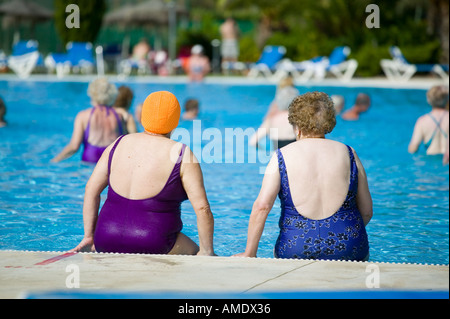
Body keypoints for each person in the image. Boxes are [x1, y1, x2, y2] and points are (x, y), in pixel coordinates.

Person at [70, 91, 215, 256]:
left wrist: (89, 237)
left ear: (143, 117)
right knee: (196, 251)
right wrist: (207, 252)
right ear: (175, 121)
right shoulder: (182, 153)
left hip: (105, 237)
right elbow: (202, 208)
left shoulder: (118, 144)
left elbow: (91, 189)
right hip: (153, 242)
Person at [235, 92, 373, 261]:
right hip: (348, 247)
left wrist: (249, 253)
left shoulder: (281, 156)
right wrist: (344, 234)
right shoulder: (349, 153)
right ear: (328, 122)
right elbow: (366, 211)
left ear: (297, 126)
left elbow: (262, 206)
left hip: (296, 246)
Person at [51, 78, 125, 164]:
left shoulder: (83, 116)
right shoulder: (119, 117)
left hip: (90, 158)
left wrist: (55, 160)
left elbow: (74, 146)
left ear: (92, 94)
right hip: (111, 161)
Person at [250, 76, 299, 149]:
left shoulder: (272, 119)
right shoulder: (299, 121)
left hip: (277, 156)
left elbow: (253, 141)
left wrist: (264, 151)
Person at [408, 85, 449, 157]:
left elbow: (413, 148)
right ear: (447, 100)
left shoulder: (422, 121)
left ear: (429, 100)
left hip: (430, 161)